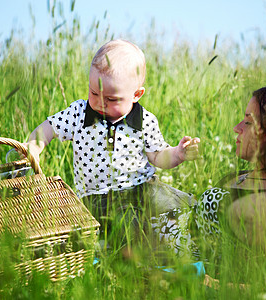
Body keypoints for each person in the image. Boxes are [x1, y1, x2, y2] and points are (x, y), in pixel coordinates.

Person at [24, 39, 200, 246]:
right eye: (94, 93)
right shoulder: (79, 113)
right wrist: (33, 147)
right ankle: (131, 259)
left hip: (143, 189)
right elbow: (49, 127)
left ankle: (188, 241)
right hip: (99, 198)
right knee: (127, 229)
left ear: (136, 95)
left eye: (112, 99)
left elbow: (158, 156)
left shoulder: (144, 120)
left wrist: (178, 153)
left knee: (184, 207)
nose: (100, 102)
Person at [153, 84, 266, 271]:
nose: (236, 128)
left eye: (248, 122)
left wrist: (204, 281)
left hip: (160, 257)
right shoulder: (249, 178)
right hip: (155, 227)